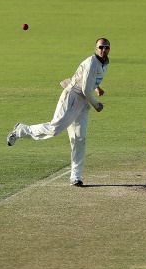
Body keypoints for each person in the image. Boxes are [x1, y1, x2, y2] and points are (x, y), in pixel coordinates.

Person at [6, 38, 110, 187]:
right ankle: (21, 130)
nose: (103, 50)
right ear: (95, 48)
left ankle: (76, 176)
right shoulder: (91, 62)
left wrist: (97, 87)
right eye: (101, 47)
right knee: (55, 128)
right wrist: (96, 105)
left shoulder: (105, 62)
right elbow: (85, 89)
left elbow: (89, 81)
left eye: (106, 47)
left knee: (79, 138)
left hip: (83, 101)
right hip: (73, 97)